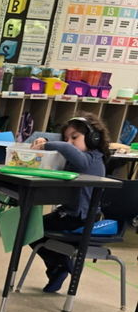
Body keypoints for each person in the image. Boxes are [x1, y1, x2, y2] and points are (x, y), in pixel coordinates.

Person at [29, 114, 109, 293]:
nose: (69, 142)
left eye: (75, 137)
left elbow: (68, 150)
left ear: (93, 138)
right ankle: (59, 266)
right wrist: (47, 138)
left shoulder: (91, 159)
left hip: (83, 219)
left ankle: (60, 266)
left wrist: (47, 144)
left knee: (31, 228)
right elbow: (67, 148)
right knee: (30, 228)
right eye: (66, 138)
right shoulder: (80, 156)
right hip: (70, 214)